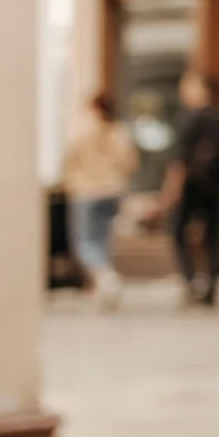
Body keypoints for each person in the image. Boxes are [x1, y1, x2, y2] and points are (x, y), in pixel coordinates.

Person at [165, 73, 219, 308]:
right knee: (213, 236)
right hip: (215, 187)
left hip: (191, 186)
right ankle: (212, 281)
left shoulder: (188, 120)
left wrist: (171, 190)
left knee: (177, 231)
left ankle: (191, 280)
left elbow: (179, 159)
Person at [61, 94, 138, 311]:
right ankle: (101, 287)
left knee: (84, 242)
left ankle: (105, 277)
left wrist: (71, 183)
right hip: (113, 190)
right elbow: (131, 162)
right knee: (102, 239)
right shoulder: (119, 132)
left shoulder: (83, 132)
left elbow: (69, 162)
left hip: (86, 192)